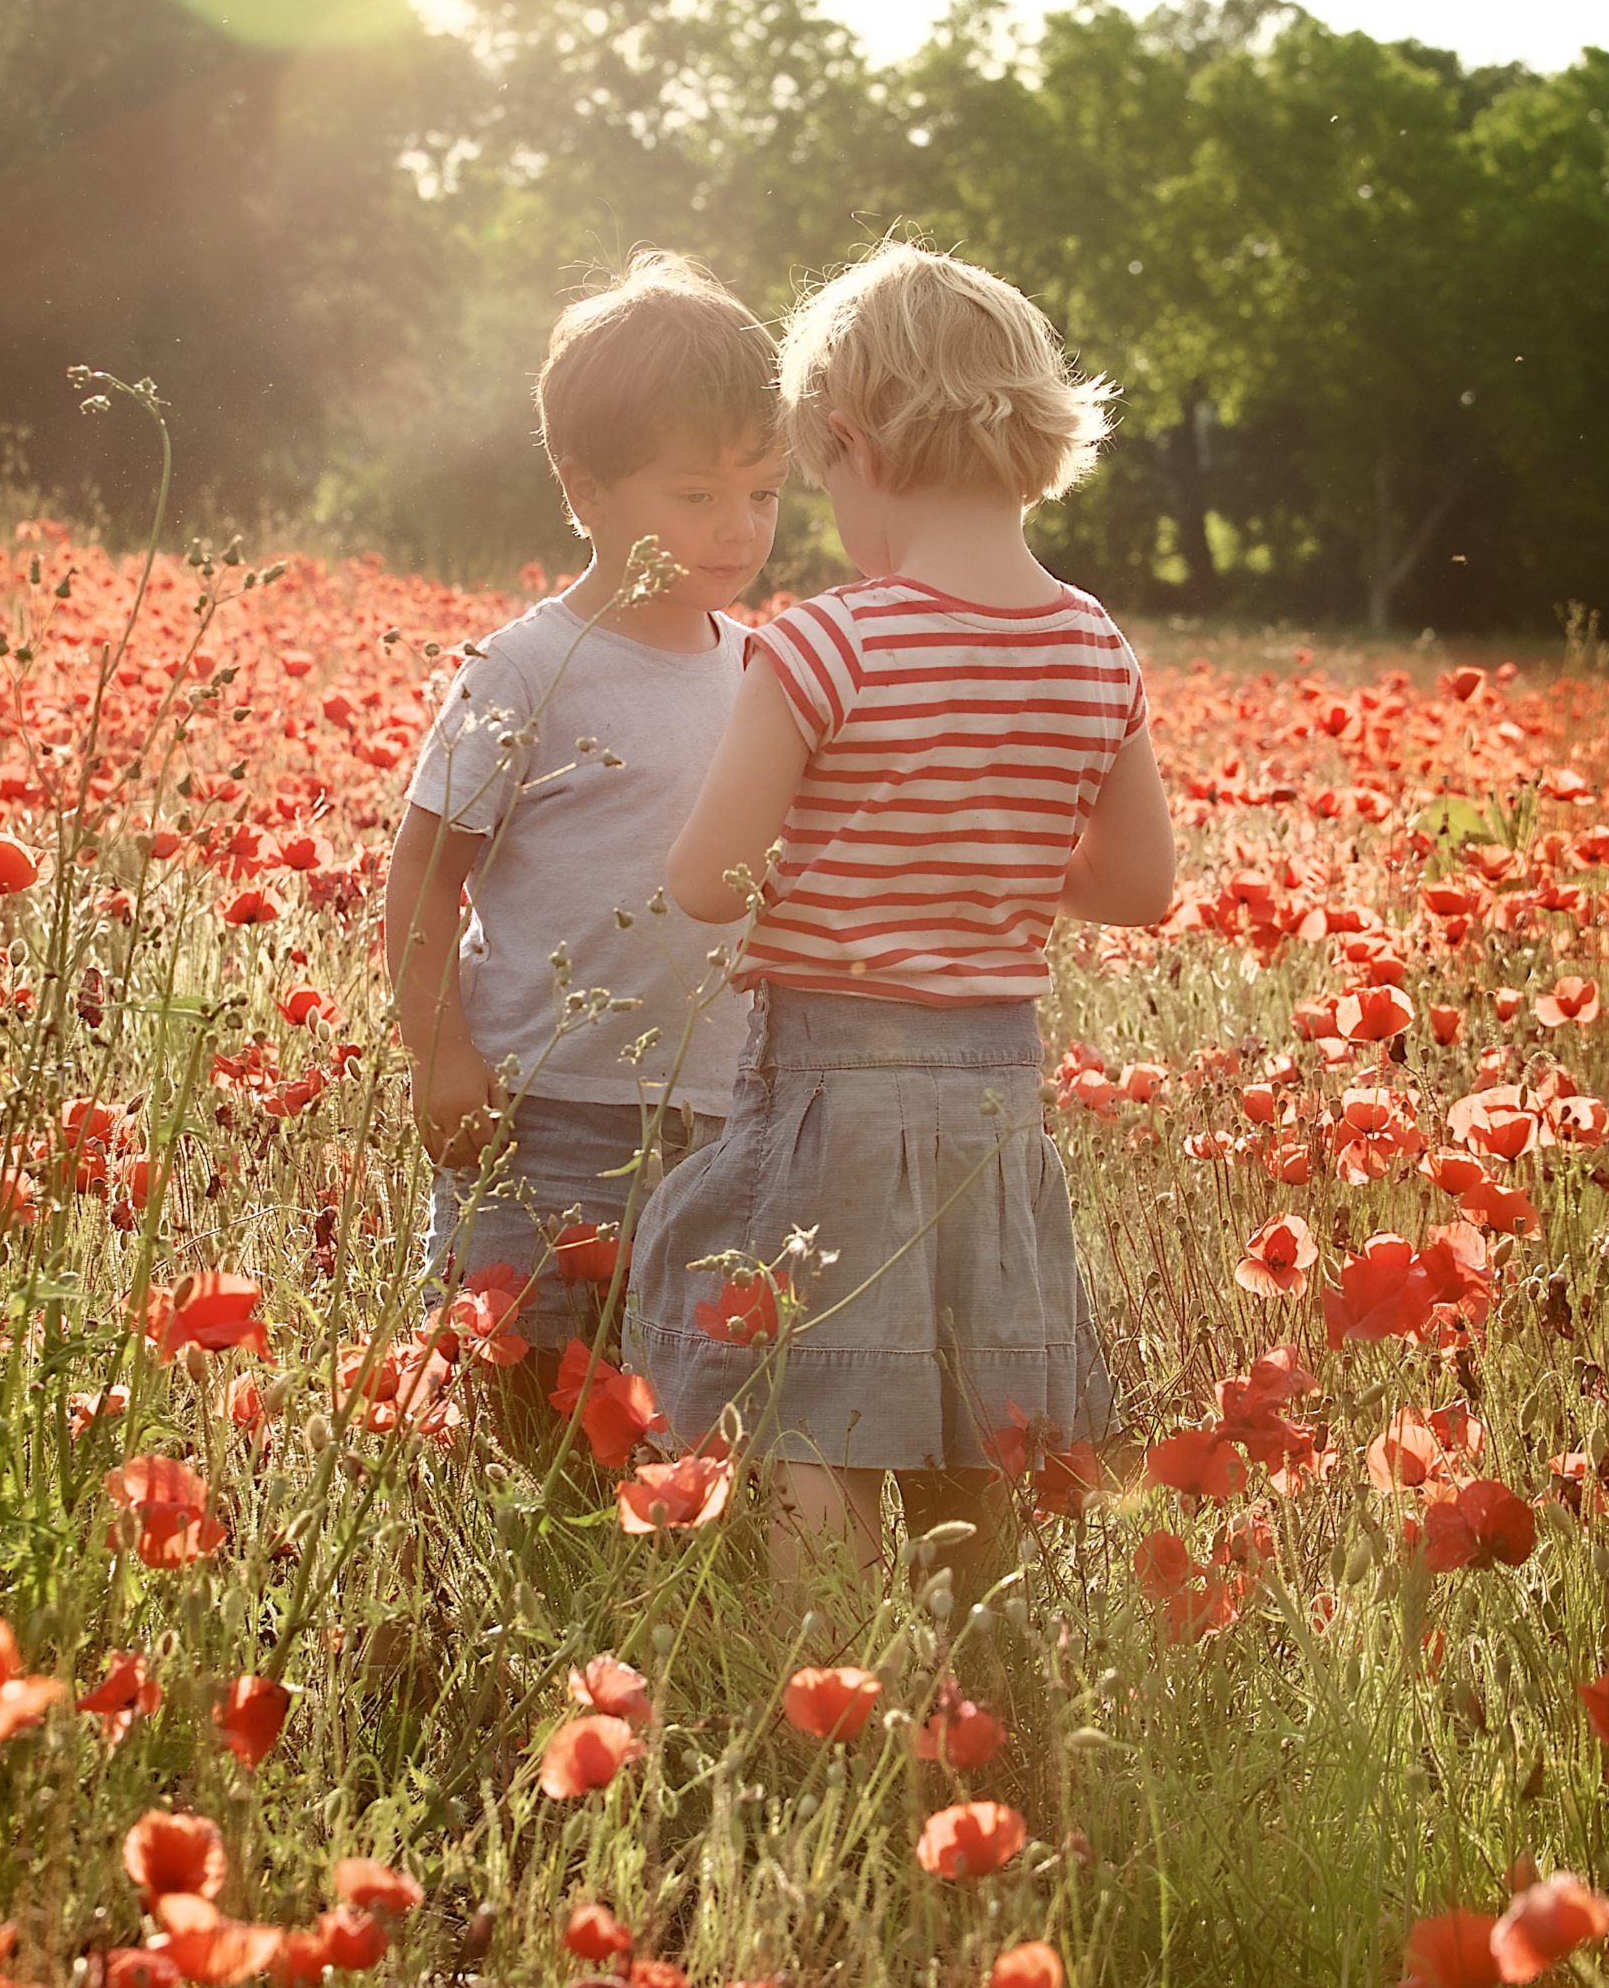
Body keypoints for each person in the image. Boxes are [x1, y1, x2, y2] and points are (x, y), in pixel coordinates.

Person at [626, 239, 1176, 1588]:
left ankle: (826, 1696)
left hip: (831, 1084)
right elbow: (1142, 889)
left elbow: (708, 881)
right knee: (979, 1403)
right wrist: (985, 839)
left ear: (850, 440)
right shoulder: (1094, 645)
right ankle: (973, 1684)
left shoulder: (829, 643)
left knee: (819, 1398)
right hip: (996, 1093)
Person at [385, 250, 786, 1410]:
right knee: (510, 1389)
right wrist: (441, 1052)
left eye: (762, 493)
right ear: (586, 488)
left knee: (663, 1415)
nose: (738, 529)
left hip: (717, 1117)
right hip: (539, 1108)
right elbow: (423, 871)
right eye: (696, 495)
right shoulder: (528, 666)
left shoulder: (766, 671)